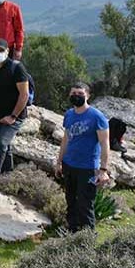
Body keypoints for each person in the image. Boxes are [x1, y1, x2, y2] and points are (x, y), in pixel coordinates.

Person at [55, 82, 110, 232]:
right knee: (70, 201)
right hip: (69, 164)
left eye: (80, 94)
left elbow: (105, 144)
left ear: (88, 96)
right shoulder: (69, 114)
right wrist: (59, 161)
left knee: (85, 204)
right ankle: (72, 232)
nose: (76, 96)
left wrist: (103, 170)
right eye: (73, 93)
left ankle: (87, 240)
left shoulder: (97, 117)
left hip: (88, 168)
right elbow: (66, 139)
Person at [0, 38, 29, 198]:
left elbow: (24, 94)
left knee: (0, 144)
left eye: (1, 50)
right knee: (6, 147)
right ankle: (9, 178)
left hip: (15, 116)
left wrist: (13, 116)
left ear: (7, 51)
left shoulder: (17, 68)